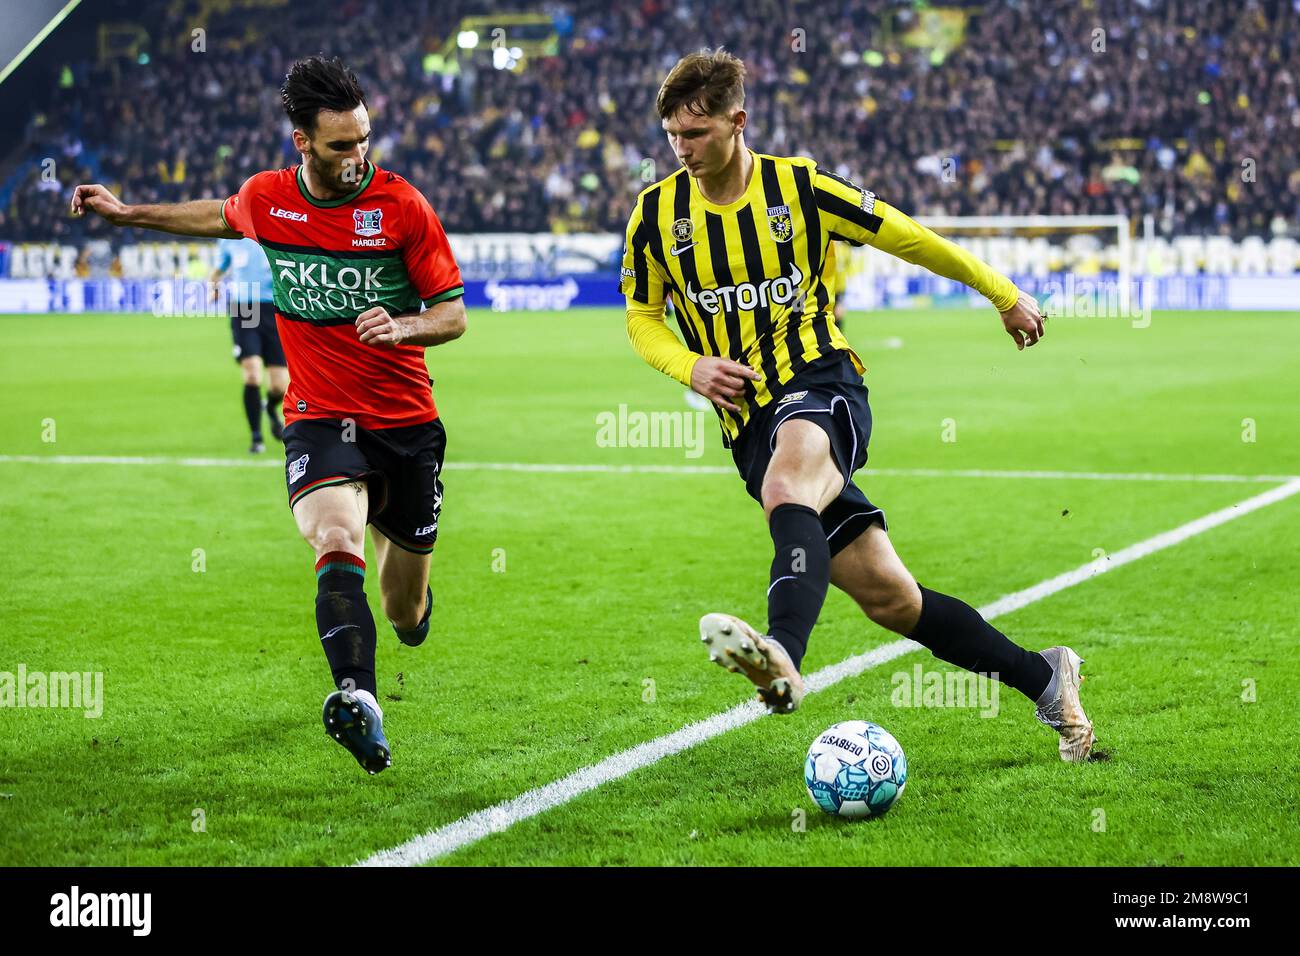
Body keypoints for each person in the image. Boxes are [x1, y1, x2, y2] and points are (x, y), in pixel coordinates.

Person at [621, 49, 1093, 762]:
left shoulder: (798, 188)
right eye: (671, 138)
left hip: (822, 382)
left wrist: (1002, 292)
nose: (681, 151)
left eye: (696, 134)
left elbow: (904, 234)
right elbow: (642, 316)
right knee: (893, 601)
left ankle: (782, 653)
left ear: (737, 121)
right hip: (748, 423)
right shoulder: (656, 215)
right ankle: (1047, 677)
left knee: (789, 483)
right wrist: (688, 366)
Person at [71, 55, 468, 774]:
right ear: (302, 142)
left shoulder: (402, 207)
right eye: (342, 145)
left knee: (405, 613)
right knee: (335, 534)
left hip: (405, 421)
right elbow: (216, 215)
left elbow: (454, 314)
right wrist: (128, 212)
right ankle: (360, 701)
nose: (358, 157)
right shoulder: (268, 200)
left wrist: (403, 327)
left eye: (364, 140)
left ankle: (407, 608)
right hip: (318, 416)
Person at [210, 236, 288, 452]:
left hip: (275, 309)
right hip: (244, 309)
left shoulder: (274, 230)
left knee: (279, 385)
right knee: (252, 374)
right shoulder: (230, 239)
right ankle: (256, 438)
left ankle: (270, 408)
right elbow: (218, 269)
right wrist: (213, 287)